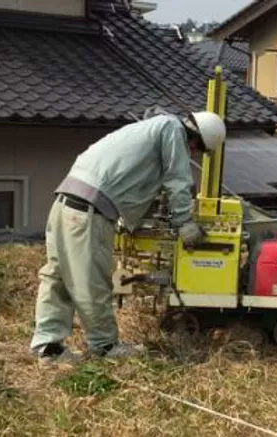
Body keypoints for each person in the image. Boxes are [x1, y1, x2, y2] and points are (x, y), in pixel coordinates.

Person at [30, 112, 226, 363]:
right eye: (196, 148)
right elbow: (178, 180)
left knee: (57, 275)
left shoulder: (147, 129)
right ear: (195, 137)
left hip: (65, 202)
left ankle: (49, 348)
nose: (191, 153)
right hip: (90, 213)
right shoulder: (172, 129)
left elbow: (128, 181)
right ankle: (105, 348)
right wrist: (184, 223)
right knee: (93, 281)